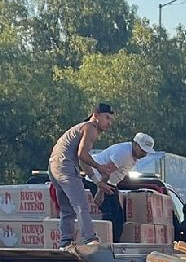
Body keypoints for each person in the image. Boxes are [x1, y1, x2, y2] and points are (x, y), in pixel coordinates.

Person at [49, 103, 118, 249]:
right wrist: (100, 167)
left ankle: (65, 242)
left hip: (54, 167)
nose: (109, 123)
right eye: (107, 118)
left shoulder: (81, 127)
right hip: (66, 167)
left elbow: (82, 159)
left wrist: (96, 180)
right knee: (81, 205)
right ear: (96, 115)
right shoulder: (90, 128)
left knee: (67, 208)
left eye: (110, 119)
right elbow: (83, 155)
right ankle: (90, 239)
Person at [87, 132, 155, 242]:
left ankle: (114, 243)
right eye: (142, 150)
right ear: (135, 144)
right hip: (99, 180)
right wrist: (100, 192)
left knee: (118, 218)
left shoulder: (131, 155)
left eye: (146, 152)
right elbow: (106, 170)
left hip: (109, 183)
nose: (144, 154)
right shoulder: (123, 153)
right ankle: (106, 244)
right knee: (110, 216)